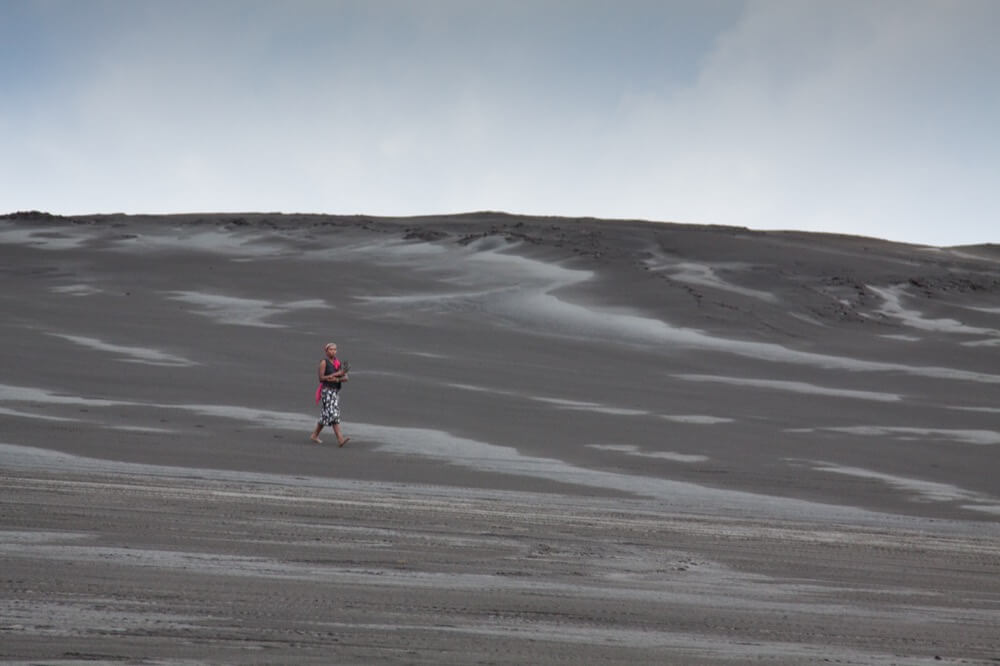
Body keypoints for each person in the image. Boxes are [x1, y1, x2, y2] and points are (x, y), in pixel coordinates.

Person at [310, 342, 350, 446]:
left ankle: (314, 435)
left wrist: (336, 379)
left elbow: (346, 378)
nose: (333, 351)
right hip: (326, 391)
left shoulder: (338, 363)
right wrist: (333, 375)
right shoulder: (324, 362)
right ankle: (340, 439)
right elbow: (321, 378)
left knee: (325, 415)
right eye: (331, 349)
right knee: (333, 414)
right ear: (326, 351)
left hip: (335, 392)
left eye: (335, 349)